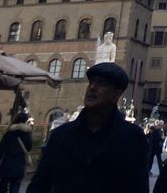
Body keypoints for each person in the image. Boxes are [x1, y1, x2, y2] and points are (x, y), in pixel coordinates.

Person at [27, 62, 148, 193]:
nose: (92, 88)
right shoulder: (61, 135)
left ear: (116, 95)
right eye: (91, 83)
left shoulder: (132, 138)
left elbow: (138, 187)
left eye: (101, 83)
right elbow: (40, 184)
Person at [0, 111, 32, 193]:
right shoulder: (27, 134)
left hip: (6, 164)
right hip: (19, 164)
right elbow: (29, 148)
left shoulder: (9, 133)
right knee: (15, 187)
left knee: (3, 186)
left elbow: (0, 150)